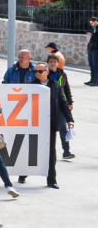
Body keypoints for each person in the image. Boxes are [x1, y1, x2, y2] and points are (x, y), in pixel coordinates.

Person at [33, 61, 74, 189]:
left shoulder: (55, 85)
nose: (37, 74)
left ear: (46, 72)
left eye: (40, 71)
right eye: (36, 71)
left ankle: (51, 179)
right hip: (34, 123)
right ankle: (23, 175)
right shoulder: (30, 86)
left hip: (50, 123)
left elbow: (63, 103)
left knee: (51, 152)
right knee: (31, 149)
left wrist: (70, 119)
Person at [45, 56, 74, 159]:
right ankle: (48, 152)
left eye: (54, 62)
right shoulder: (45, 74)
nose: (53, 63)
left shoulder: (62, 74)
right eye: (51, 62)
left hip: (61, 105)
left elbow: (67, 89)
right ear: (48, 63)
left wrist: (70, 102)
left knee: (63, 127)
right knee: (48, 129)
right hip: (49, 105)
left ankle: (66, 151)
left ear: (58, 63)